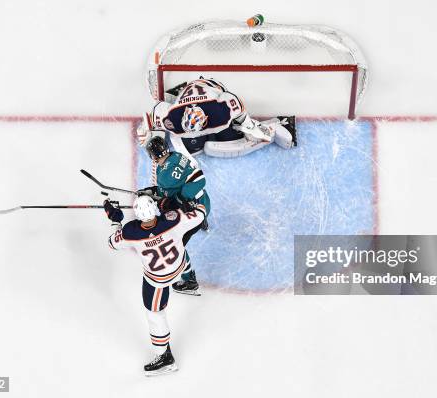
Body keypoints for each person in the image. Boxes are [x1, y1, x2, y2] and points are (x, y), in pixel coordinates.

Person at [104, 195, 206, 376]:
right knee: (182, 246)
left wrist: (115, 219)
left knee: (154, 313)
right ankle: (190, 281)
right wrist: (182, 204)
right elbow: (200, 213)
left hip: (159, 278)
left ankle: (164, 358)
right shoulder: (174, 219)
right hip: (179, 265)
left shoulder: (130, 232)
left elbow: (112, 243)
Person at [137, 77, 296, 161]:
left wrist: (248, 125)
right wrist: (148, 133)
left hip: (211, 86)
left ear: (206, 119)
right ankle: (179, 90)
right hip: (188, 94)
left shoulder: (220, 111)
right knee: (194, 147)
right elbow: (156, 111)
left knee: (229, 134)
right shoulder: (173, 118)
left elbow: (236, 103)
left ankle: (279, 126)